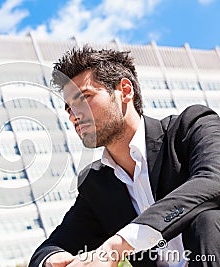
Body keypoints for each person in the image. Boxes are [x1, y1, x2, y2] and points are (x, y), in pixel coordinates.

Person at [29, 45, 220, 267]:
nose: (74, 116)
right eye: (69, 108)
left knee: (206, 220)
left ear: (125, 91)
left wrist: (119, 244)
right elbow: (50, 248)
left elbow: (213, 181)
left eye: (84, 98)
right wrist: (53, 261)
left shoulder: (191, 127)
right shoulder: (97, 184)